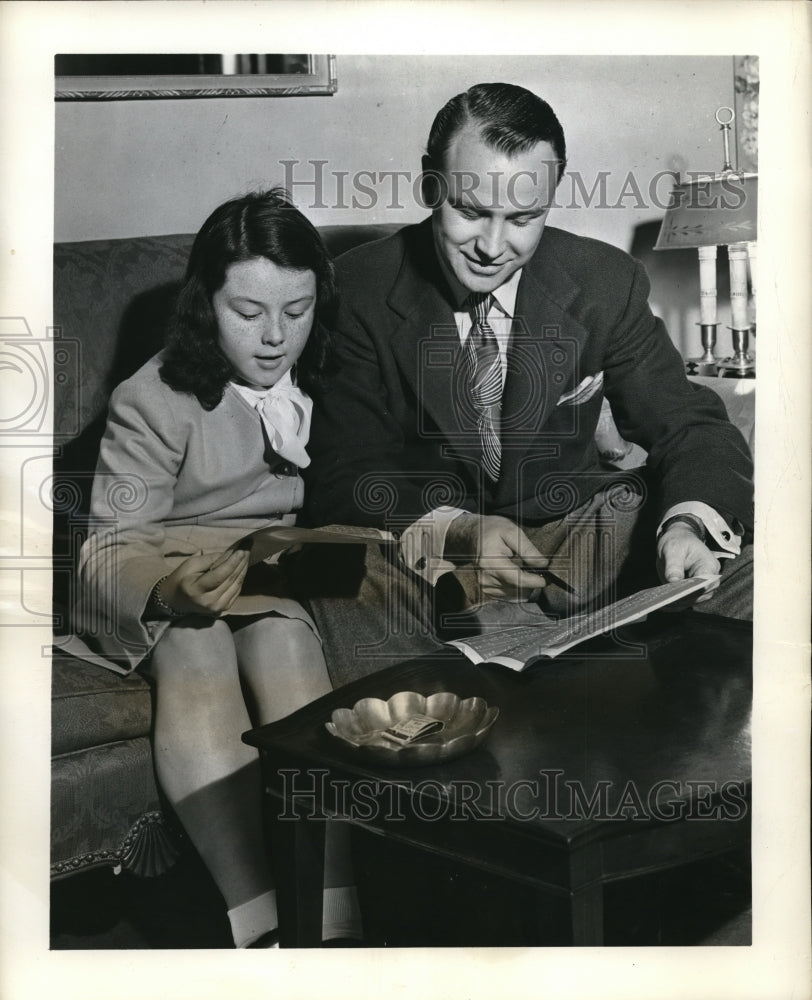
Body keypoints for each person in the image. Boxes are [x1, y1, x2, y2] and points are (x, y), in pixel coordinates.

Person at [302, 82, 753, 685]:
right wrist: (460, 532)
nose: (493, 247)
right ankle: (448, 713)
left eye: (523, 218)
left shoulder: (602, 281)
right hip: (427, 558)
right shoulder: (355, 289)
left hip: (575, 544)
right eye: (469, 212)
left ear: (552, 200)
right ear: (430, 185)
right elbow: (342, 475)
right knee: (341, 568)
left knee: (759, 570)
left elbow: (690, 423)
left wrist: (687, 524)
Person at [73, 189, 362, 948]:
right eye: (247, 312)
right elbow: (110, 547)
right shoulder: (151, 397)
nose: (274, 338)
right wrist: (169, 590)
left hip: (277, 574)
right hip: (167, 571)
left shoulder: (329, 369)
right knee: (198, 646)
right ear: (206, 303)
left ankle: (334, 916)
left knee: (285, 640)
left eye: (295, 311)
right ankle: (256, 919)